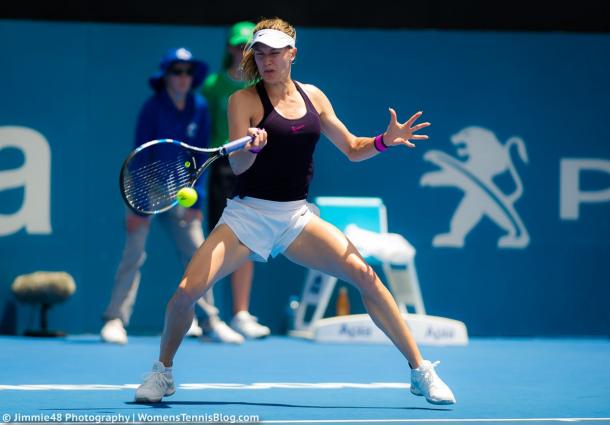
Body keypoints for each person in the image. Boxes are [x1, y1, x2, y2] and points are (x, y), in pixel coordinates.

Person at [134, 19, 456, 405]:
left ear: (292, 54)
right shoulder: (243, 101)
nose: (267, 61)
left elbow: (353, 148)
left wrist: (385, 141)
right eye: (261, 53)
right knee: (186, 293)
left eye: (275, 52)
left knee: (365, 275)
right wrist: (249, 149)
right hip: (246, 217)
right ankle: (162, 372)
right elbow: (238, 169)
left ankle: (421, 371)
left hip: (296, 218)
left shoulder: (315, 98)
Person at [101, 47, 244, 345]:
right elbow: (139, 158)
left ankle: (210, 321)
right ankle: (115, 319)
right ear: (166, 76)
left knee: (198, 253)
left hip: (183, 190)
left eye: (187, 72)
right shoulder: (152, 108)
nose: (182, 78)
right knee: (134, 255)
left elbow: (198, 156)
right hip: (149, 190)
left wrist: (198, 197)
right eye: (176, 72)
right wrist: (136, 207)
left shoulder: (200, 107)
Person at [202, 21, 270, 339]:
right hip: (221, 169)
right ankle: (205, 315)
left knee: (248, 240)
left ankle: (240, 314)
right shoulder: (213, 85)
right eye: (236, 44)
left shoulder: (263, 84)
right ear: (228, 48)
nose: (240, 50)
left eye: (247, 46)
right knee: (217, 240)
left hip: (255, 166)